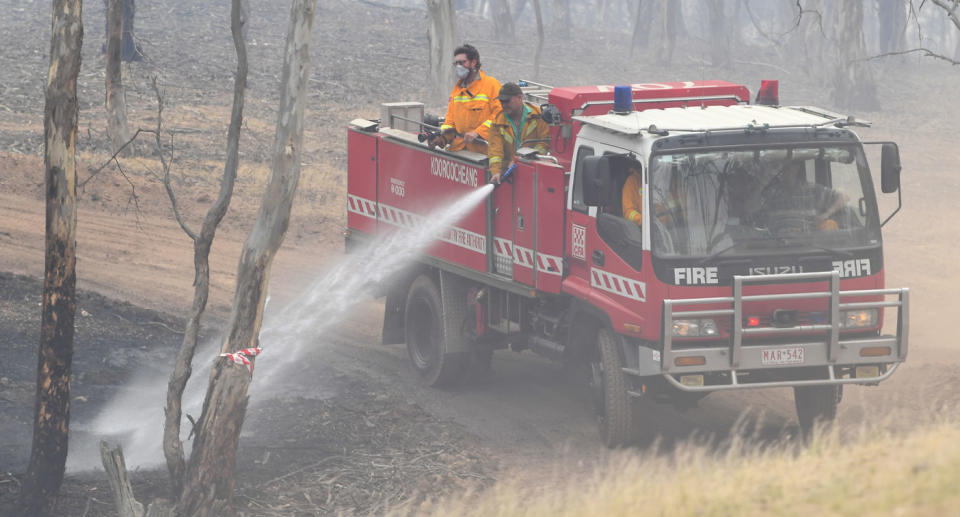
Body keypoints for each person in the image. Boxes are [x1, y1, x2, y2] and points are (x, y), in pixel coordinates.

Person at [429, 44, 501, 154]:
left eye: (462, 62)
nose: (459, 66)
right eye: (456, 63)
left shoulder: (492, 85)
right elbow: (450, 122)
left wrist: (478, 133)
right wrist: (441, 139)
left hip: (483, 153)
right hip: (459, 152)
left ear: (473, 63)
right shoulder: (457, 91)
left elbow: (500, 116)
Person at [487, 82, 550, 183]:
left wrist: (523, 160)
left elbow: (544, 144)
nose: (503, 105)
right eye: (501, 101)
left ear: (520, 98)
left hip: (533, 173)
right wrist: (496, 172)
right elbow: (495, 151)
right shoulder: (497, 123)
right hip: (508, 175)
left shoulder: (538, 116)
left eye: (507, 101)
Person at [760, 161, 848, 231]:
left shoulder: (812, 189)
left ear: (797, 169)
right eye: (783, 169)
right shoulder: (771, 192)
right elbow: (749, 209)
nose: (785, 172)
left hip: (808, 245)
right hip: (775, 246)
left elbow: (844, 197)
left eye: (789, 168)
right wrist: (762, 183)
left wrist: (826, 214)